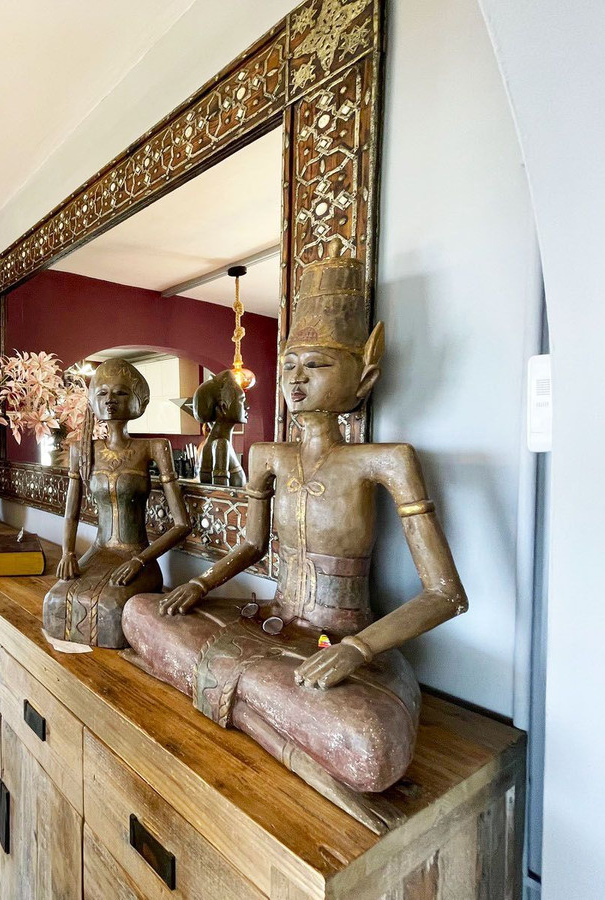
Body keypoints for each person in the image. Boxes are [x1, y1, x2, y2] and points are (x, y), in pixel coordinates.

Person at [122, 252, 467, 833]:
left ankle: (244, 703)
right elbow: (252, 546)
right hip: (270, 623)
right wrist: (200, 585)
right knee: (138, 610)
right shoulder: (268, 456)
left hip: (342, 640)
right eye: (287, 367)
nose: (296, 380)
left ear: (364, 377)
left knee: (370, 746)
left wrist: (358, 651)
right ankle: (265, 720)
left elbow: (446, 594)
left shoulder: (387, 461)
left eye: (316, 365)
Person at [43, 359, 191, 648]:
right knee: (56, 599)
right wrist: (67, 553)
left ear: (138, 400)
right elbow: (71, 512)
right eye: (102, 393)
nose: (110, 400)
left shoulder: (153, 448)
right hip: (99, 551)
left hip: (138, 556)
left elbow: (182, 524)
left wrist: (139, 560)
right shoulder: (82, 450)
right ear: (93, 401)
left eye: (121, 392)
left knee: (111, 606)